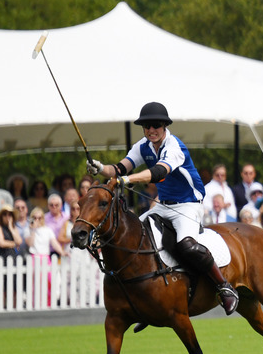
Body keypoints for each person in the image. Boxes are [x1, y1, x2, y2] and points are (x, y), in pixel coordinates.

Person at [85, 101, 239, 315]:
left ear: (164, 126)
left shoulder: (174, 147)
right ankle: (145, 301)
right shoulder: (143, 145)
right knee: (133, 236)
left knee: (186, 245)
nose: (151, 130)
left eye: (155, 125)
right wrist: (101, 168)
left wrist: (126, 180)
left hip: (188, 205)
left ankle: (224, 287)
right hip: (163, 205)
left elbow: (158, 172)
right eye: (147, 126)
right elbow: (120, 168)